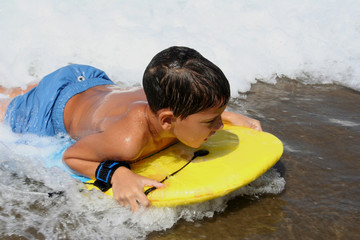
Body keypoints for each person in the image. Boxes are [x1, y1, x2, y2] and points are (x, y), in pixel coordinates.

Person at [0, 46, 261, 211]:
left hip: (88, 80)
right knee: (8, 108)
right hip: (53, 107)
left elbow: (193, 111)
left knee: (18, 92)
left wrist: (225, 115)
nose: (218, 125)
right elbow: (73, 157)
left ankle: (25, 89)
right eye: (210, 121)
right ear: (168, 121)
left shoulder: (170, 104)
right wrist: (116, 174)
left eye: (217, 115)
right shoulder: (127, 141)